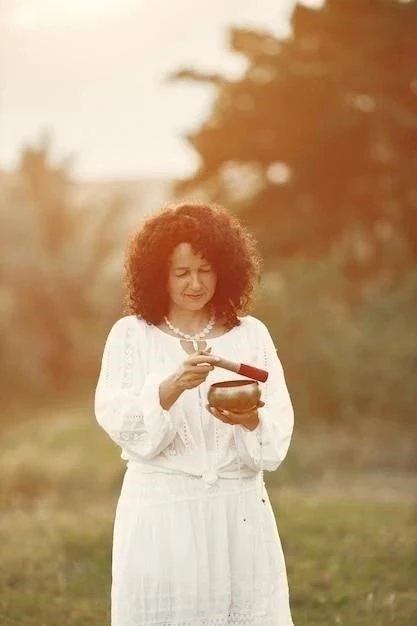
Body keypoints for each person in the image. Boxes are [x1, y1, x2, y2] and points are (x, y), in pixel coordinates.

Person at [94, 201, 295, 626]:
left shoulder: (251, 334)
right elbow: (115, 416)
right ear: (157, 274)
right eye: (181, 272)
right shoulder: (131, 335)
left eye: (204, 269)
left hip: (237, 508)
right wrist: (170, 388)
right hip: (161, 511)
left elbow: (276, 425)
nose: (195, 283)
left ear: (224, 269)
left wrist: (248, 419)